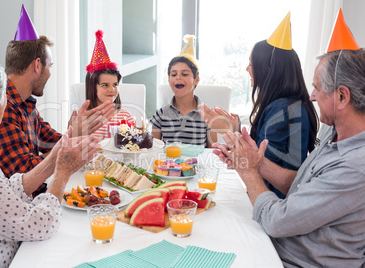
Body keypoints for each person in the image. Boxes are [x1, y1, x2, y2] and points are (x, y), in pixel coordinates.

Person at [214, 20, 365, 268]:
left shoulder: (355, 167)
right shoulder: (334, 134)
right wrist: (256, 162)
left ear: (342, 96)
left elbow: (277, 220)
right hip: (275, 245)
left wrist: (249, 172)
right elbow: (302, 187)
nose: (312, 96)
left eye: (317, 88)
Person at [0, 15, 102, 266]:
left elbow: (7, 190)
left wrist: (67, 144)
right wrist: (60, 173)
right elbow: (38, 226)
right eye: (3, 94)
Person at [0, 7, 114, 182]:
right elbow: (26, 174)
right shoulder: (4, 108)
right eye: (50, 65)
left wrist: (73, 133)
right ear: (37, 66)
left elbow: (51, 142)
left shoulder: (25, 104)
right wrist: (70, 138)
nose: (50, 73)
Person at [199, 13, 318, 198]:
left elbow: (260, 166)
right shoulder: (288, 105)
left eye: (251, 64)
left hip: (273, 202)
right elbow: (264, 155)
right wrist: (237, 130)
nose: (248, 70)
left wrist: (229, 131)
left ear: (268, 70)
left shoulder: (283, 110)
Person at [151, 35, 217, 147]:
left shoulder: (208, 115)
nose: (178, 77)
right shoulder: (160, 114)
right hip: (168, 164)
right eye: (173, 74)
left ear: (196, 80)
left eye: (184, 74)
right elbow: (153, 150)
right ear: (169, 80)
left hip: (199, 164)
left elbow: (212, 152)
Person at [85, 30, 135, 139]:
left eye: (115, 84)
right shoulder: (85, 119)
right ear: (93, 87)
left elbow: (132, 147)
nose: (112, 89)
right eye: (105, 85)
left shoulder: (126, 117)